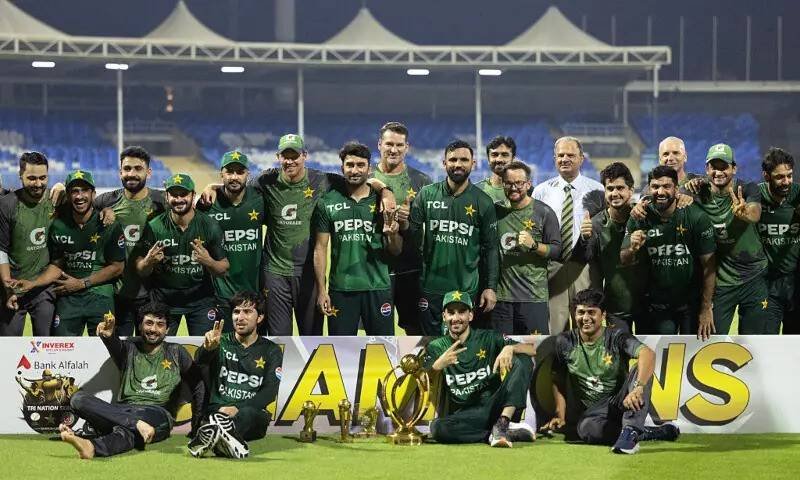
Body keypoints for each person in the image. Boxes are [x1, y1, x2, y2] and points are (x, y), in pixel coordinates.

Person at [201, 134, 396, 336]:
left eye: (294, 156)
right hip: (275, 274)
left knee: (311, 337)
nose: (290, 161)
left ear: (304, 156)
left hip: (309, 274)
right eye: (285, 156)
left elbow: (361, 180)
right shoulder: (265, 180)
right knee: (279, 338)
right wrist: (212, 187)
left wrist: (386, 190)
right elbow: (236, 185)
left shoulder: (323, 180)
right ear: (278, 157)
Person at [540, 288, 676, 454]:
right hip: (593, 414)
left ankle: (631, 431)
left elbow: (647, 354)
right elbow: (558, 379)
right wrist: (560, 415)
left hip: (622, 401)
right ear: (574, 315)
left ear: (603, 315)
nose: (585, 318)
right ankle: (647, 433)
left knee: (638, 370)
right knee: (585, 429)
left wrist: (638, 387)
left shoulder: (617, 336)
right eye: (581, 312)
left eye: (591, 312)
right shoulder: (565, 342)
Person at [59, 304, 203, 459]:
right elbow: (114, 344)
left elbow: (198, 385)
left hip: (157, 413)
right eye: (149, 323)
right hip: (122, 411)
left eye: (160, 324)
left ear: (167, 329)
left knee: (127, 429)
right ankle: (104, 440)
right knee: (78, 399)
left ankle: (93, 445)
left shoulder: (176, 351)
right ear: (140, 326)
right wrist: (108, 336)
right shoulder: (129, 348)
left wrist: (197, 426)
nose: (153, 329)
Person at [404, 140, 499, 335]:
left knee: (462, 345)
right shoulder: (427, 194)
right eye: (453, 159)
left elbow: (491, 249)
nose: (458, 164)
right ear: (444, 163)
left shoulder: (483, 201)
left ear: (473, 163)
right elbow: (411, 238)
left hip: (466, 289)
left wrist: (490, 287)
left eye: (464, 160)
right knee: (431, 345)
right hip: (430, 288)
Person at [13, 170, 125, 336]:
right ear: (68, 195)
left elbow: (117, 267)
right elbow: (57, 265)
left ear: (93, 194)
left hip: (100, 296)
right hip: (67, 296)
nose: (79, 196)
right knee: (61, 348)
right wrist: (33, 283)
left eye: (84, 190)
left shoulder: (109, 224)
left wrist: (82, 283)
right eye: (74, 191)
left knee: (105, 346)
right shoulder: (58, 225)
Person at [423, 290, 536, 447]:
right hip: (468, 414)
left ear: (470, 316)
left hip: (497, 405)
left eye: (462, 312)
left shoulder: (488, 337)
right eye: (451, 312)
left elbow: (532, 350)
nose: (456, 318)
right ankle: (499, 432)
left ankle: (503, 422)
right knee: (437, 428)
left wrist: (511, 348)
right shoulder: (436, 346)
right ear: (444, 316)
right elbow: (421, 379)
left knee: (522, 359)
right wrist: (437, 366)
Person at [313, 142, 403, 335]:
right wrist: (322, 290)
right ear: (342, 168)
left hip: (378, 287)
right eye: (350, 165)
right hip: (341, 289)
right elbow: (320, 248)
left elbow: (396, 250)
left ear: (369, 169)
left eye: (360, 165)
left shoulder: (383, 202)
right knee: (341, 350)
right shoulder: (327, 202)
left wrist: (392, 234)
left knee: (383, 348)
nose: (355, 170)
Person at [620, 166, 716, 338]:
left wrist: (706, 307)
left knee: (691, 351)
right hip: (656, 305)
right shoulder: (639, 217)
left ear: (676, 189)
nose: (660, 191)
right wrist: (632, 248)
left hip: (690, 303)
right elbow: (624, 258)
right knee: (660, 353)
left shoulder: (696, 217)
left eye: (666, 186)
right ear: (649, 189)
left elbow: (709, 265)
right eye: (655, 186)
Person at [686, 144, 769, 334]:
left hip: (753, 278)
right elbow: (671, 189)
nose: (718, 172)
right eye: (713, 167)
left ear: (734, 168)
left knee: (753, 342)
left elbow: (755, 213)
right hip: (721, 282)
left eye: (723, 167)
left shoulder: (746, 188)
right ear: (706, 169)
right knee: (713, 341)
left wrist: (745, 213)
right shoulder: (698, 192)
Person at [189, 291, 283, 459]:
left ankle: (214, 436)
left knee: (248, 415)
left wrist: (237, 408)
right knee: (214, 415)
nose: (240, 317)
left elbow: (270, 391)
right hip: (218, 409)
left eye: (247, 312)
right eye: (236, 312)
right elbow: (199, 363)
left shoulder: (271, 350)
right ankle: (224, 440)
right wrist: (207, 349)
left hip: (251, 414)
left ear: (260, 317)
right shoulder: (220, 341)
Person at [134, 173, 229, 335]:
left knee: (205, 347)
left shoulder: (209, 225)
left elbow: (224, 268)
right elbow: (140, 269)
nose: (179, 199)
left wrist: (209, 262)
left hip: (201, 302)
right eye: (174, 195)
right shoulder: (154, 227)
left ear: (193, 195)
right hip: (164, 302)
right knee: (159, 348)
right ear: (167, 197)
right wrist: (148, 262)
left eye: (183, 194)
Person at [533, 137, 604, 334]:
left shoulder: (597, 190)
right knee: (556, 329)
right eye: (561, 155)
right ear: (554, 158)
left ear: (581, 159)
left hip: (584, 269)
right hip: (553, 268)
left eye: (571, 155)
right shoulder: (540, 192)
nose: (565, 159)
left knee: (587, 327)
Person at [94, 146, 166, 335]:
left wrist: (213, 188)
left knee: (149, 347)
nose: (131, 173)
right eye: (127, 169)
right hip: (118, 293)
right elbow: (77, 204)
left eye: (138, 168)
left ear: (148, 172)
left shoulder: (162, 202)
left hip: (152, 293)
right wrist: (59, 188)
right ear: (120, 172)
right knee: (119, 348)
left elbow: (193, 207)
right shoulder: (105, 202)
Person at [372, 122, 432, 335]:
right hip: (375, 269)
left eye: (399, 145)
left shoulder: (421, 181)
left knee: (416, 331)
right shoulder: (366, 177)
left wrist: (407, 222)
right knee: (377, 333)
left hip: (411, 269)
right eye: (389, 144)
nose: (393, 150)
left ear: (407, 147)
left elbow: (428, 227)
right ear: (379, 145)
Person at [197, 151, 266, 331]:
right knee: (224, 345)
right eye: (229, 172)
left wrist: (212, 185)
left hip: (254, 294)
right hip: (221, 296)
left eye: (240, 172)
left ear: (247, 174)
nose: (234, 177)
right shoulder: (207, 203)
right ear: (221, 173)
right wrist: (210, 187)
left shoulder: (260, 199)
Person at [575, 162, 646, 332]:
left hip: (648, 306)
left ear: (631, 190)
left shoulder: (644, 217)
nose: (615, 193)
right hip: (616, 308)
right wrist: (584, 238)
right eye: (610, 188)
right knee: (618, 349)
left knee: (650, 350)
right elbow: (583, 261)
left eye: (620, 188)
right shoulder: (595, 225)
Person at [493, 161, 560, 335]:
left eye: (519, 183)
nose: (513, 188)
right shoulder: (495, 211)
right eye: (509, 183)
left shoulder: (544, 212)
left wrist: (534, 246)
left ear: (528, 184)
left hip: (533, 298)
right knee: (502, 350)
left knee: (535, 350)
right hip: (501, 299)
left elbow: (556, 250)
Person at [0, 152, 56, 336]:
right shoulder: (7, 205)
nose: (38, 183)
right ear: (20, 175)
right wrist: (8, 287)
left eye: (43, 178)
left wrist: (107, 210)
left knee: (47, 346)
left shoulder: (57, 200)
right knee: (9, 346)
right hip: (14, 287)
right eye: (32, 178)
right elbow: (1, 249)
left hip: (44, 288)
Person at [756, 147, 800, 334]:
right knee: (766, 342)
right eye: (779, 177)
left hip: (796, 283)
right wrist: (696, 182)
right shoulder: (755, 196)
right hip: (767, 284)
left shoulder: (798, 194)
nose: (786, 181)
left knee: (795, 344)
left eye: (789, 176)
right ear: (766, 176)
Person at [476, 136, 516, 206]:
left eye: (504, 155)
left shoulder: (525, 191)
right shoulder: (476, 191)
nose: (499, 159)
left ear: (513, 159)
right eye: (494, 155)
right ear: (488, 159)